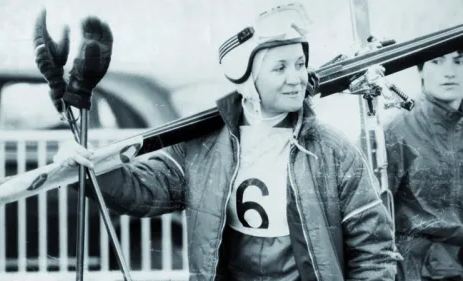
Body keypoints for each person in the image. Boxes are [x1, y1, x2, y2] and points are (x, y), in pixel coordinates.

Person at [51, 4, 398, 280]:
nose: (297, 78)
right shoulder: (204, 146)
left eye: (300, 64)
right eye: (280, 68)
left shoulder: (333, 151)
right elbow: (141, 191)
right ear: (247, 79)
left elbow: (374, 249)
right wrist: (91, 168)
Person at [384, 51, 463, 281]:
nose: (449, 72)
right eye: (436, 62)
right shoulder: (397, 128)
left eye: (459, 62)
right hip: (418, 270)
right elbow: (374, 219)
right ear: (420, 70)